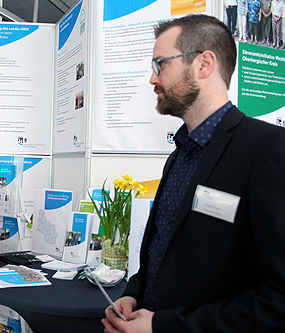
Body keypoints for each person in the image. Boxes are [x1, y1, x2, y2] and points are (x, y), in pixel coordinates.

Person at [103, 14, 285, 332]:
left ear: (204, 64)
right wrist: (134, 294)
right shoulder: (180, 154)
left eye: (161, 64)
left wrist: (163, 326)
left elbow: (279, 300)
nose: (152, 78)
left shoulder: (268, 151)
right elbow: (167, 252)